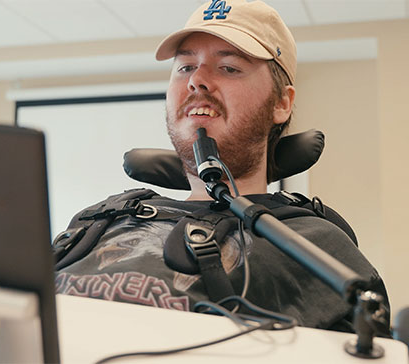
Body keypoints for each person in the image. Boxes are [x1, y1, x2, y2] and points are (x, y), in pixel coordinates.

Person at [53, 0, 389, 334]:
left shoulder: (319, 248)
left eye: (228, 67)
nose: (197, 80)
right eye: (185, 67)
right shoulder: (100, 219)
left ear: (282, 103)